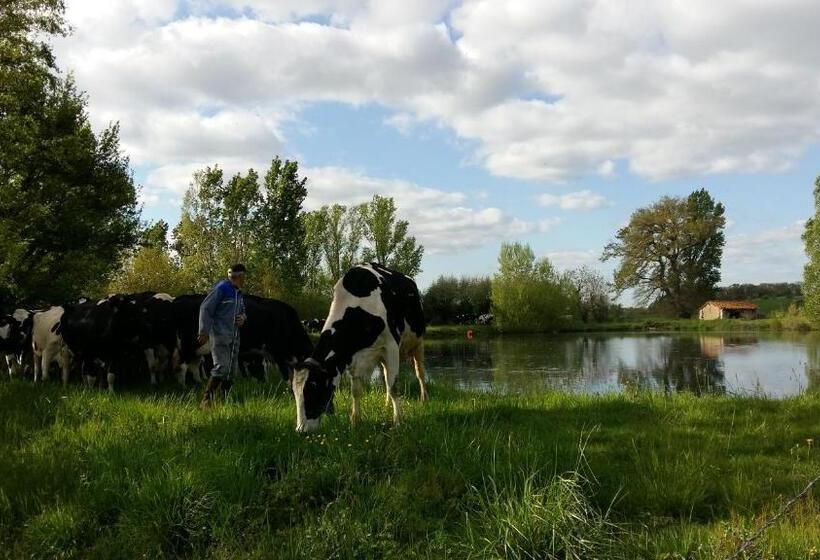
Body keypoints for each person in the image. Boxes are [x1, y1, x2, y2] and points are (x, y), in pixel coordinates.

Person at [198, 264, 247, 409]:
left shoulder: (238, 292)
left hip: (234, 336)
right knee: (222, 367)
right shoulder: (221, 289)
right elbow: (205, 308)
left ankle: (222, 400)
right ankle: (206, 401)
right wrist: (203, 331)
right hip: (219, 335)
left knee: (232, 370)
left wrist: (243, 317)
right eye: (243, 277)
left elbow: (243, 310)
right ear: (239, 276)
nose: (244, 279)